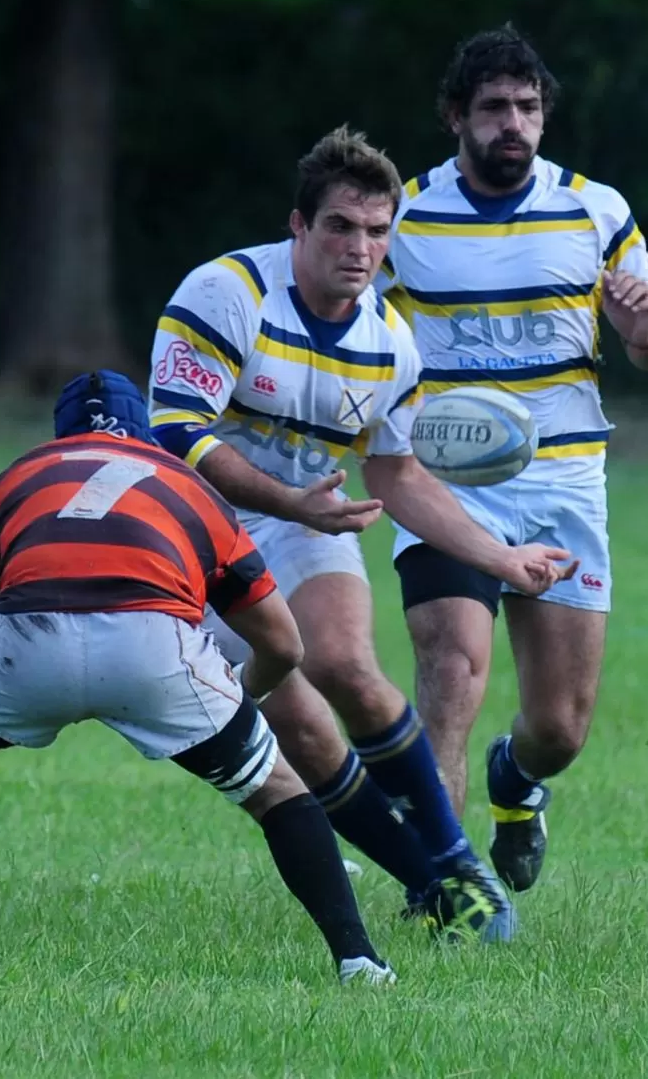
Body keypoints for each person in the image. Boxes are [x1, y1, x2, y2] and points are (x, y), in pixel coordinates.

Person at [0, 372, 398, 986]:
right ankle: (358, 959)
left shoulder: (21, 476)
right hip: (155, 644)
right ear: (145, 434)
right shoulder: (190, 486)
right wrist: (242, 693)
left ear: (63, 434)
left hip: (27, 640)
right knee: (275, 790)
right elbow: (285, 645)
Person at [148, 126, 576, 938]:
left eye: (378, 231)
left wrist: (504, 559)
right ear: (298, 226)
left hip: (306, 513)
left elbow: (397, 475)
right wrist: (290, 501)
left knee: (346, 661)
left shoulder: (388, 344)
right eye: (341, 226)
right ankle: (426, 877)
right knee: (300, 721)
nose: (361, 247)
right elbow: (176, 436)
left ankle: (454, 868)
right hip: (196, 528)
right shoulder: (225, 292)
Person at [377, 25, 648, 893]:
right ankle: (439, 881)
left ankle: (517, 783)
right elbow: (352, 330)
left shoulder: (596, 208)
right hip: (444, 479)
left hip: (562, 479)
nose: (514, 122)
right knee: (450, 665)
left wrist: (643, 330)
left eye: (528, 106)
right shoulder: (402, 214)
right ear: (454, 118)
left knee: (561, 727)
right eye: (494, 108)